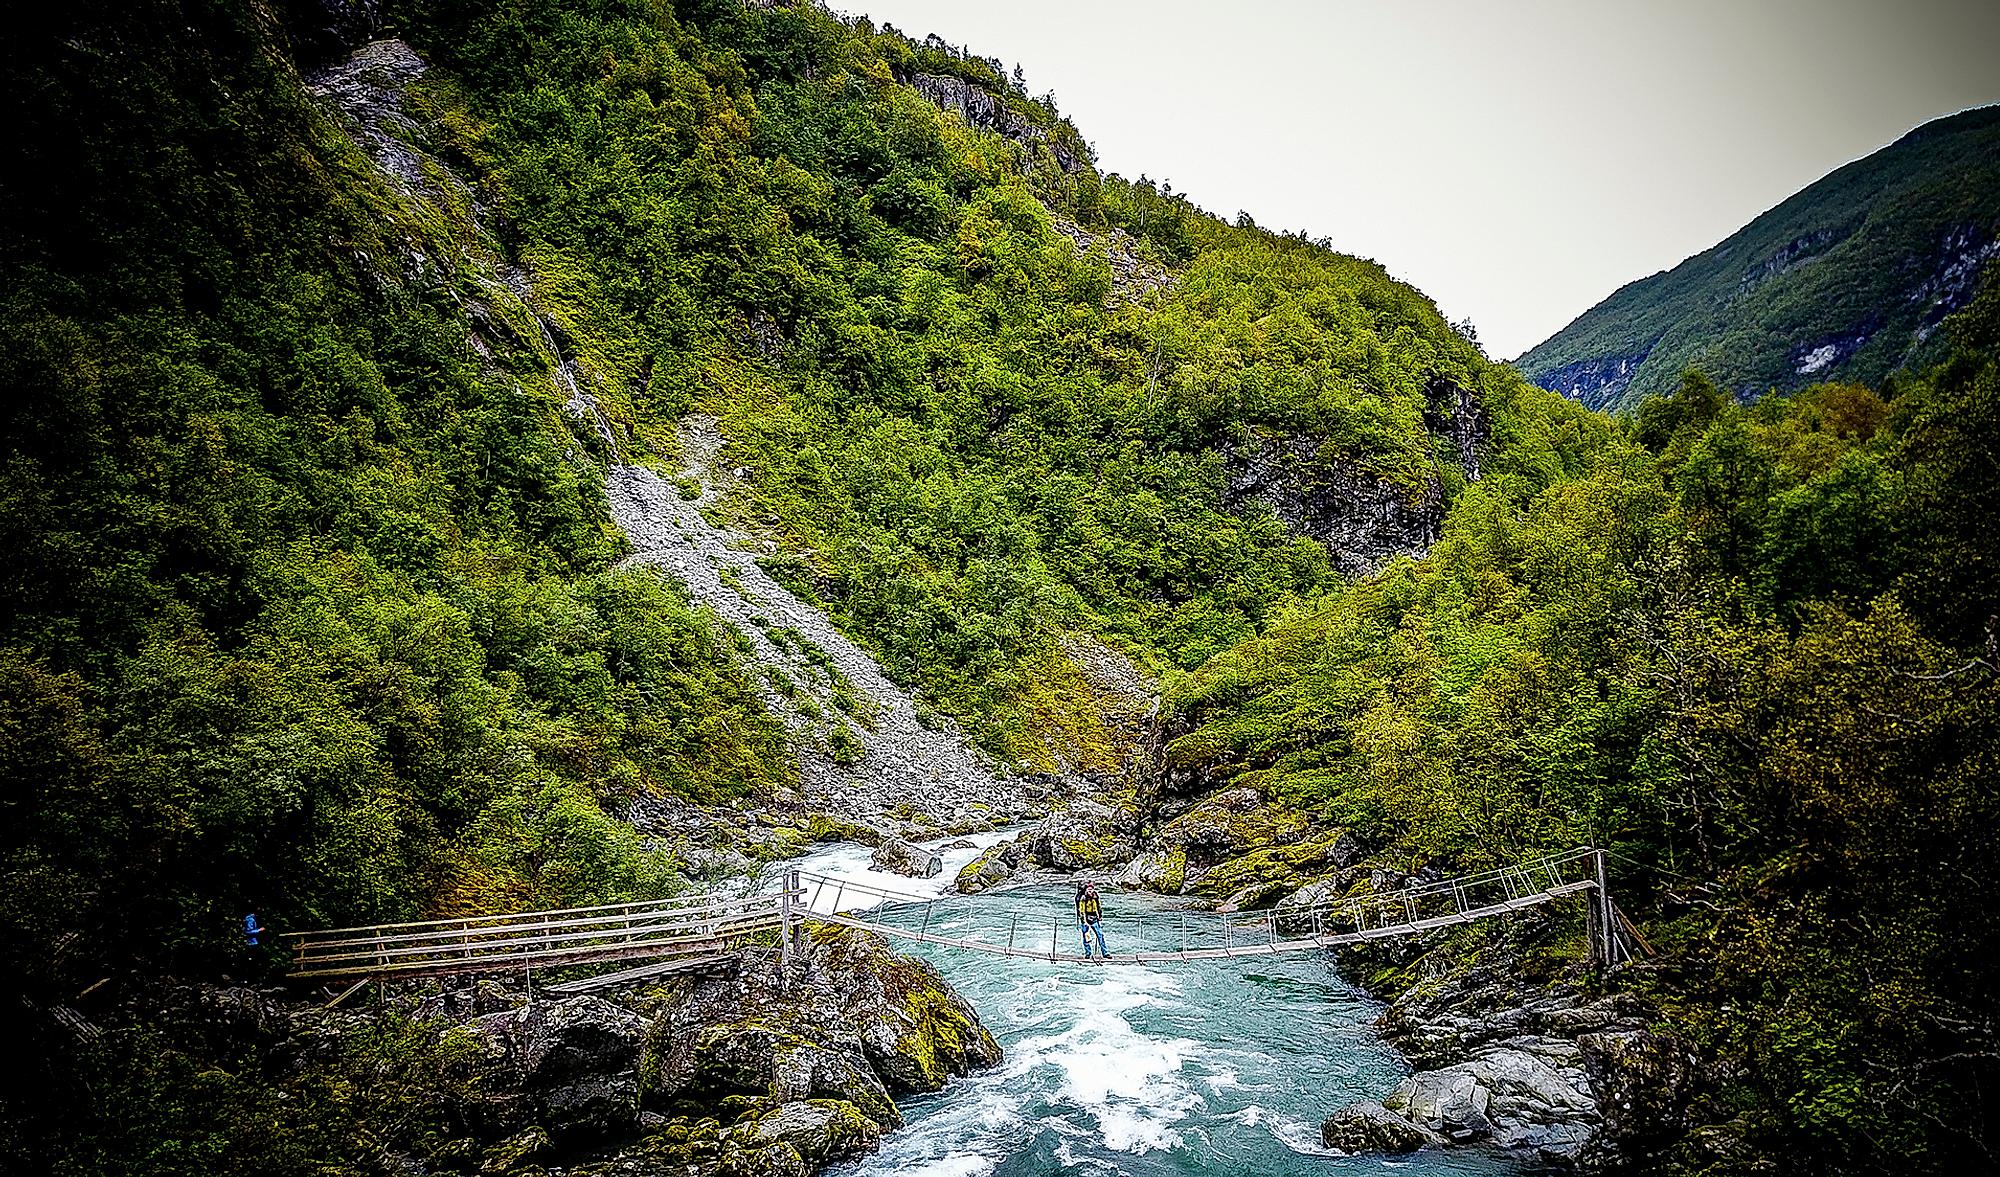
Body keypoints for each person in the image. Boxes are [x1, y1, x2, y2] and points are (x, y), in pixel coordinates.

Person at [1075, 881, 1108, 959]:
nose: (1090, 891)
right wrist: (1084, 921)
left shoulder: (1095, 897)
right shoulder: (1083, 898)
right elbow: (1081, 910)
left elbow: (1099, 906)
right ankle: (1088, 953)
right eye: (1088, 890)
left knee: (1100, 935)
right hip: (1085, 918)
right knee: (1086, 937)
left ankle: (1105, 953)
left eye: (1091, 889)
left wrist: (1100, 916)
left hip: (1094, 918)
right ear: (1086, 890)